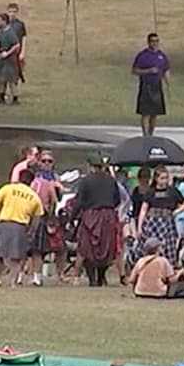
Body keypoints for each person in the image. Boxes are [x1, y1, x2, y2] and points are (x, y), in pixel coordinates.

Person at [0, 168, 45, 288]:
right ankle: (13, 281)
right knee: (17, 257)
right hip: (20, 226)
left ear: (19, 178)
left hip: (4, 222)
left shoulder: (8, 188)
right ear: (31, 181)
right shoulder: (34, 196)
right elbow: (37, 217)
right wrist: (31, 230)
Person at [73, 153, 123, 286]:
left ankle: (92, 279)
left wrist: (72, 217)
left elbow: (79, 201)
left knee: (87, 248)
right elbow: (117, 200)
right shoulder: (111, 180)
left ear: (90, 166)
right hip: (108, 216)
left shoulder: (85, 181)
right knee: (106, 248)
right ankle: (101, 277)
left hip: (91, 215)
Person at [28, 151, 65, 285]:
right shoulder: (35, 178)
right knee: (35, 248)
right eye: (44, 161)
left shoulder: (56, 178)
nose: (47, 164)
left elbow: (57, 200)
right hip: (38, 215)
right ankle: (33, 274)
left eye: (49, 161)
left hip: (50, 215)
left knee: (60, 247)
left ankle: (59, 274)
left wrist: (59, 190)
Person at [138, 167, 184, 269]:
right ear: (156, 179)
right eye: (162, 178)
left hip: (167, 223)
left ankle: (167, 269)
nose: (165, 181)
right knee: (152, 245)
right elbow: (143, 209)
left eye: (166, 178)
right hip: (153, 223)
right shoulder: (151, 192)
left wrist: (178, 211)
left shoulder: (172, 191)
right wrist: (140, 227)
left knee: (168, 246)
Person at [132, 32, 171, 136]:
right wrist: (148, 71)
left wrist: (168, 83)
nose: (155, 43)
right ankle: (145, 134)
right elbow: (134, 70)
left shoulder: (162, 56)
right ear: (148, 42)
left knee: (155, 113)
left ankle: (151, 133)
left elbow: (166, 70)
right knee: (146, 112)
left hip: (157, 86)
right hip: (146, 85)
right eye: (152, 41)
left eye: (157, 41)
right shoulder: (142, 56)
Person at [0, 12, 23, 105]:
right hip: (1, 58)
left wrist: (8, 53)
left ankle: (15, 98)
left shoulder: (10, 32)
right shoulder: (0, 31)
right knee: (0, 79)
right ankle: (1, 97)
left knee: (11, 79)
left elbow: (17, 45)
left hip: (9, 59)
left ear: (4, 21)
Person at [7, 2, 28, 85]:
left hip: (17, 51)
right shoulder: (5, 24)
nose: (12, 14)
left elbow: (24, 37)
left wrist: (23, 52)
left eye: (14, 12)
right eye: (10, 12)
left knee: (16, 72)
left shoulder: (20, 24)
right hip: (7, 50)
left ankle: (14, 91)